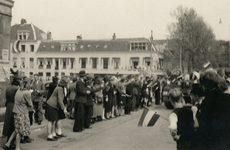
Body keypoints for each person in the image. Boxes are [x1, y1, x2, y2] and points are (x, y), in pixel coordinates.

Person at [195, 71, 230, 149]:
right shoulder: (228, 98)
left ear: (206, 87)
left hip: (213, 142)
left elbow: (203, 126)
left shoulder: (207, 102)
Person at [4, 78, 33, 150]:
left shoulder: (19, 90)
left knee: (16, 129)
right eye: (30, 83)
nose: (31, 84)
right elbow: (30, 104)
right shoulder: (26, 93)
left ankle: (7, 144)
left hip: (16, 111)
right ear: (27, 84)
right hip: (22, 113)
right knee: (20, 132)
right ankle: (17, 148)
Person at [2, 76, 21, 149]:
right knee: (14, 124)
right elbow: (18, 99)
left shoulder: (8, 87)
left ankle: (9, 141)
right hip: (14, 106)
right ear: (18, 81)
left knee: (9, 124)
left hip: (9, 106)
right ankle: (10, 143)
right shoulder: (17, 89)